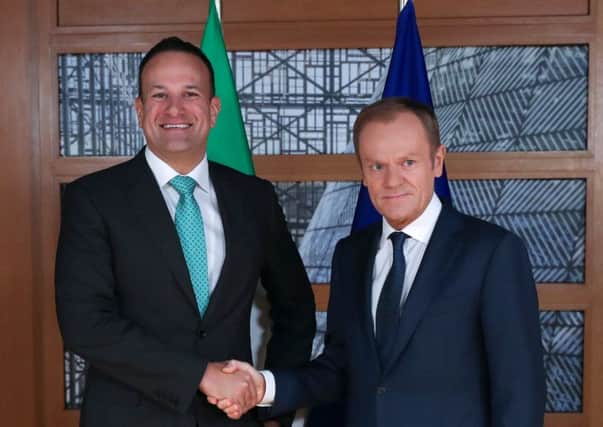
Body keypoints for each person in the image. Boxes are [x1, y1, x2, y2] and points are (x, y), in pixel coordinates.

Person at [217, 97, 545, 426]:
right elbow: (340, 369)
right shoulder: (351, 254)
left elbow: (518, 390)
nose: (392, 181)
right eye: (377, 166)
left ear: (437, 161)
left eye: (408, 163)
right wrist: (264, 386)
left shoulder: (492, 252)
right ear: (363, 171)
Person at [55, 36, 315, 427]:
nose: (174, 108)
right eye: (159, 95)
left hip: (233, 419)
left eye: (190, 94)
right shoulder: (92, 199)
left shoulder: (254, 199)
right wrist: (201, 375)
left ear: (213, 110)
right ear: (140, 109)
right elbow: (85, 324)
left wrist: (271, 405)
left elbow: (295, 307)